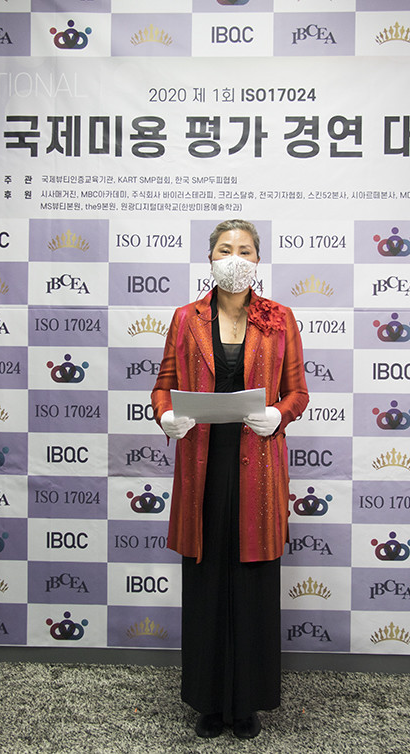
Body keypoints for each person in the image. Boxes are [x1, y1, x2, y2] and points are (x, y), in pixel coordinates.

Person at [150, 219, 309, 739]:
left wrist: (279, 415)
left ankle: (247, 705)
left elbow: (298, 392)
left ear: (258, 260)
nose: (234, 258)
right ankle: (208, 702)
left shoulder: (279, 318)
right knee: (206, 581)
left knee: (252, 583)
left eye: (244, 250)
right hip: (202, 465)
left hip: (258, 466)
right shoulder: (186, 317)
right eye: (224, 249)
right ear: (210, 258)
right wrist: (165, 415)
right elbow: (163, 385)